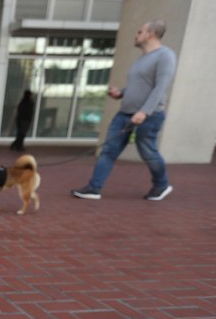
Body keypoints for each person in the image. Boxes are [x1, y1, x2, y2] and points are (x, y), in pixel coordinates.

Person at [72, 20, 176, 201]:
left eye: (140, 31)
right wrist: (120, 93)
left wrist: (144, 112)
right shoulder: (141, 59)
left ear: (150, 34)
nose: (136, 35)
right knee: (109, 151)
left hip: (149, 116)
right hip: (125, 113)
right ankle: (93, 188)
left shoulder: (165, 56)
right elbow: (139, 86)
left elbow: (160, 87)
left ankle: (161, 185)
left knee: (148, 153)